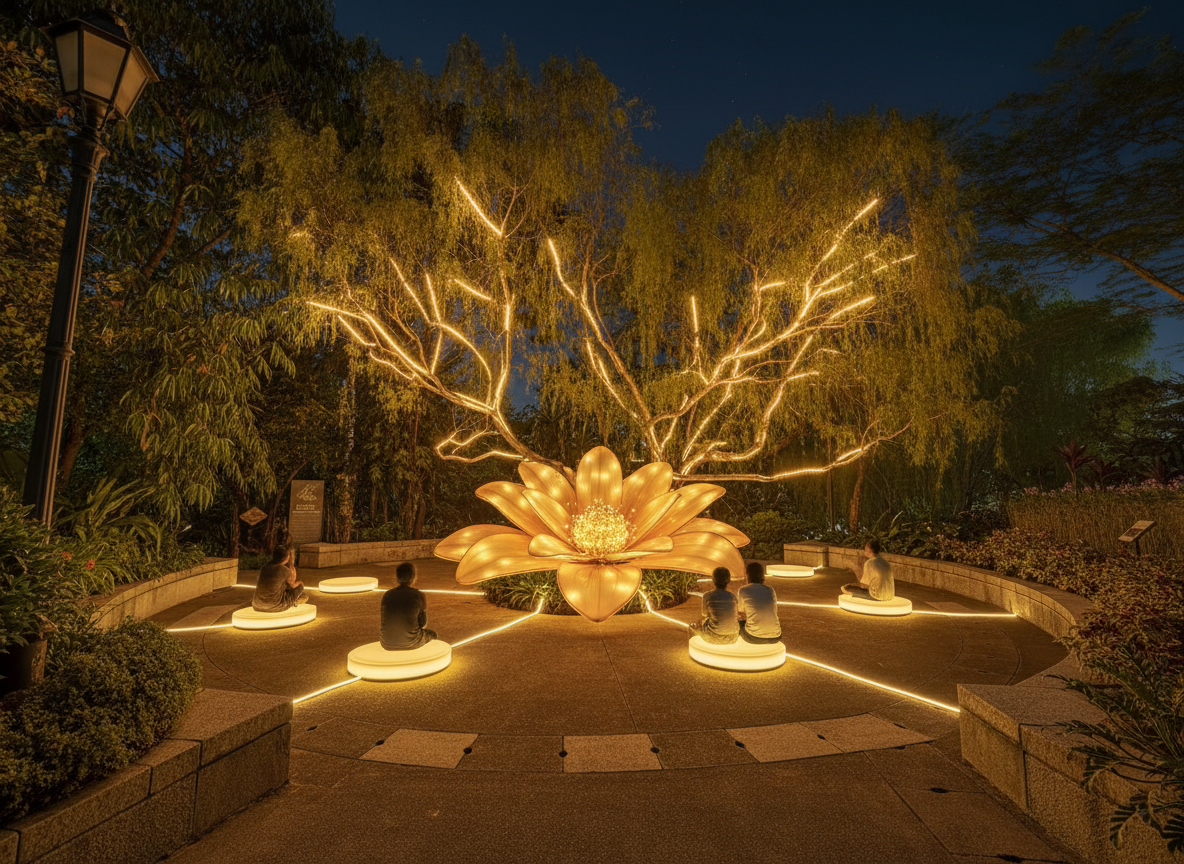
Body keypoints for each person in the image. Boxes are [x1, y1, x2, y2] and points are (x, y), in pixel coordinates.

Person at [380, 562, 437, 650]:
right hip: (411, 642)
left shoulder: (387, 595)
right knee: (432, 635)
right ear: (413, 577)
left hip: (386, 643)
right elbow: (423, 623)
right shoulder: (419, 595)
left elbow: (384, 620)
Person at [689, 567, 739, 644]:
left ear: (713, 580)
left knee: (693, 627)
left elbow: (704, 614)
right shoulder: (732, 597)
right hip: (733, 637)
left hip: (713, 636)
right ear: (729, 580)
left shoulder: (707, 596)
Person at [252, 545, 308, 612]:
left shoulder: (264, 568)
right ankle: (295, 601)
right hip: (276, 606)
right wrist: (291, 564)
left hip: (257, 605)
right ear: (286, 557)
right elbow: (292, 586)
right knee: (300, 585)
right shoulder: (283, 570)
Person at [737, 562, 782, 643]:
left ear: (747, 575)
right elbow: (774, 611)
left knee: (737, 622)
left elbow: (740, 611)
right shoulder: (770, 590)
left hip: (753, 636)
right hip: (776, 636)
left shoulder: (744, 590)